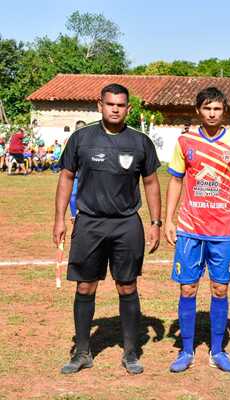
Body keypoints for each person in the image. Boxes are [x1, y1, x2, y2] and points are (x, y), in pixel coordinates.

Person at [53, 83, 162, 375]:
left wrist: (155, 222)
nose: (115, 109)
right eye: (110, 104)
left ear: (128, 108)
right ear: (99, 105)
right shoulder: (81, 138)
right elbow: (65, 177)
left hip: (127, 223)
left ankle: (130, 353)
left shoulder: (140, 142)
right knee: (85, 285)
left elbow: (151, 183)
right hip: (89, 222)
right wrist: (59, 219)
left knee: (127, 285)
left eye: (121, 105)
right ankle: (83, 352)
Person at [165, 87, 230, 373]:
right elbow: (176, 180)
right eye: (206, 108)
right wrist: (169, 219)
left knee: (220, 288)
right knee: (188, 288)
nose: (212, 114)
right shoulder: (184, 141)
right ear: (198, 110)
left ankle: (217, 350)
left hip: (223, 229)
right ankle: (186, 350)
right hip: (189, 227)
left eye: (217, 109)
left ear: (224, 110)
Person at [69, 121, 87, 221]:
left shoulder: (92, 141)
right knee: (73, 194)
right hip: (76, 173)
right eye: (78, 128)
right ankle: (74, 215)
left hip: (88, 174)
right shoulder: (71, 141)